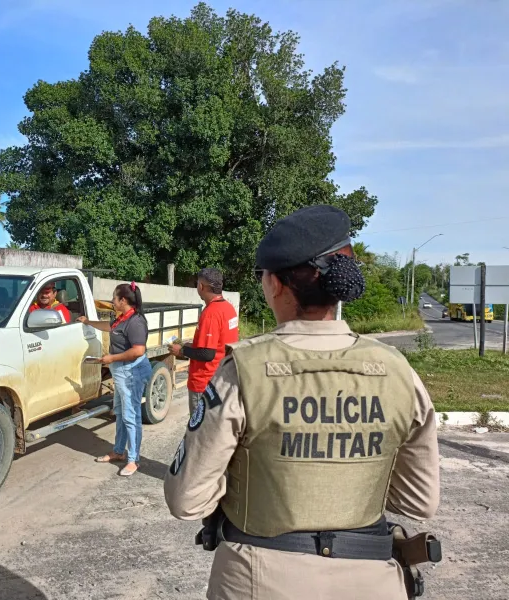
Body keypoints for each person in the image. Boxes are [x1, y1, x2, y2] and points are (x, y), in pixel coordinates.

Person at [163, 205, 440, 600]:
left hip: (257, 579)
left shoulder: (243, 369)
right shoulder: (398, 372)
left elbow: (187, 499)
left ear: (275, 284)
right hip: (372, 582)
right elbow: (418, 501)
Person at [77, 282, 153, 477]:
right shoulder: (122, 319)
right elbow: (108, 327)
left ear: (123, 300)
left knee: (131, 415)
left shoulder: (135, 322)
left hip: (131, 372)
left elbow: (138, 351)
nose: (112, 301)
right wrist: (88, 322)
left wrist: (112, 358)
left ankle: (134, 459)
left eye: (114, 297)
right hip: (121, 372)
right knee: (120, 412)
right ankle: (119, 451)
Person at [169, 268, 239, 414]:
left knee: (199, 432)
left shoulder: (211, 313)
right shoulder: (229, 308)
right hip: (222, 380)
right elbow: (218, 345)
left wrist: (181, 350)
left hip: (204, 384)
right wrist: (190, 346)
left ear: (201, 286)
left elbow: (207, 354)